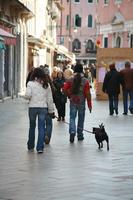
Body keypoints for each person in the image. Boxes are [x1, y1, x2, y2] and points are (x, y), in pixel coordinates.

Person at [25, 67, 54, 153]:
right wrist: (51, 111)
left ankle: (30, 145)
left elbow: (28, 95)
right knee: (41, 127)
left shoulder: (30, 83)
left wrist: (24, 97)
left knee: (32, 127)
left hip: (32, 108)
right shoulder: (46, 85)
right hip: (43, 108)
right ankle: (40, 147)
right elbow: (50, 99)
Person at [63, 63, 92, 143]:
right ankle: (80, 135)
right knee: (81, 118)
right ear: (82, 70)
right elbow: (88, 94)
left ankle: (72, 131)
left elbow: (64, 89)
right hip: (81, 101)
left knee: (72, 117)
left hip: (73, 101)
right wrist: (89, 105)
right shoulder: (85, 80)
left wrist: (69, 95)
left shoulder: (70, 79)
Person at [41, 65, 56, 145]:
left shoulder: (40, 83)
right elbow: (51, 98)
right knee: (49, 123)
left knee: (42, 123)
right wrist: (52, 110)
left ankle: (43, 135)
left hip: (41, 106)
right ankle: (48, 136)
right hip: (48, 106)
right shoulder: (50, 83)